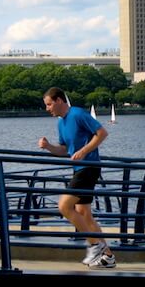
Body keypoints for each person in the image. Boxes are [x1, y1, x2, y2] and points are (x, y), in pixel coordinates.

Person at [38, 87, 115, 268]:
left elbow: (102, 133)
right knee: (84, 214)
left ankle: (95, 245)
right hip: (79, 168)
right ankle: (108, 256)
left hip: (89, 167)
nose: (47, 108)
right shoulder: (60, 122)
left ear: (59, 101)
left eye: (49, 104)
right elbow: (64, 149)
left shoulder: (78, 114)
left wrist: (83, 151)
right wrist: (48, 146)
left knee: (64, 205)